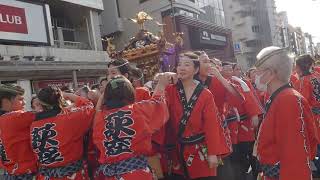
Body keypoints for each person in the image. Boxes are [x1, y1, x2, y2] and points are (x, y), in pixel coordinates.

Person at [254, 46, 319, 180]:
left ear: (270, 73)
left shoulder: (288, 100)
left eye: (258, 71)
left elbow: (295, 157)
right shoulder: (280, 97)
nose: (255, 75)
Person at [165, 51, 229, 180]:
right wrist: (160, 85)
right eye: (179, 64)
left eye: (187, 65)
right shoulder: (170, 90)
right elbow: (159, 115)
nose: (181, 68)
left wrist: (213, 153)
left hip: (201, 149)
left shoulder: (205, 94)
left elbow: (212, 126)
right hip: (179, 150)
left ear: (196, 70)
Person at [92, 74, 169, 180]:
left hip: (111, 176)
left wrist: (105, 93)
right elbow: (158, 104)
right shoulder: (138, 110)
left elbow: (98, 109)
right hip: (137, 174)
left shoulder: (100, 118)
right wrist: (161, 84)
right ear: (130, 93)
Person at [30, 86, 95, 180]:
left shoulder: (34, 125)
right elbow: (88, 105)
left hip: (45, 176)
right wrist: (67, 95)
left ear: (41, 103)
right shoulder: (70, 118)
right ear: (60, 98)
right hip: (71, 175)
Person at [0, 84, 37, 179]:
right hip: (25, 171)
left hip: (7, 171)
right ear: (6, 102)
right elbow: (51, 113)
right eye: (20, 99)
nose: (24, 102)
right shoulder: (17, 117)